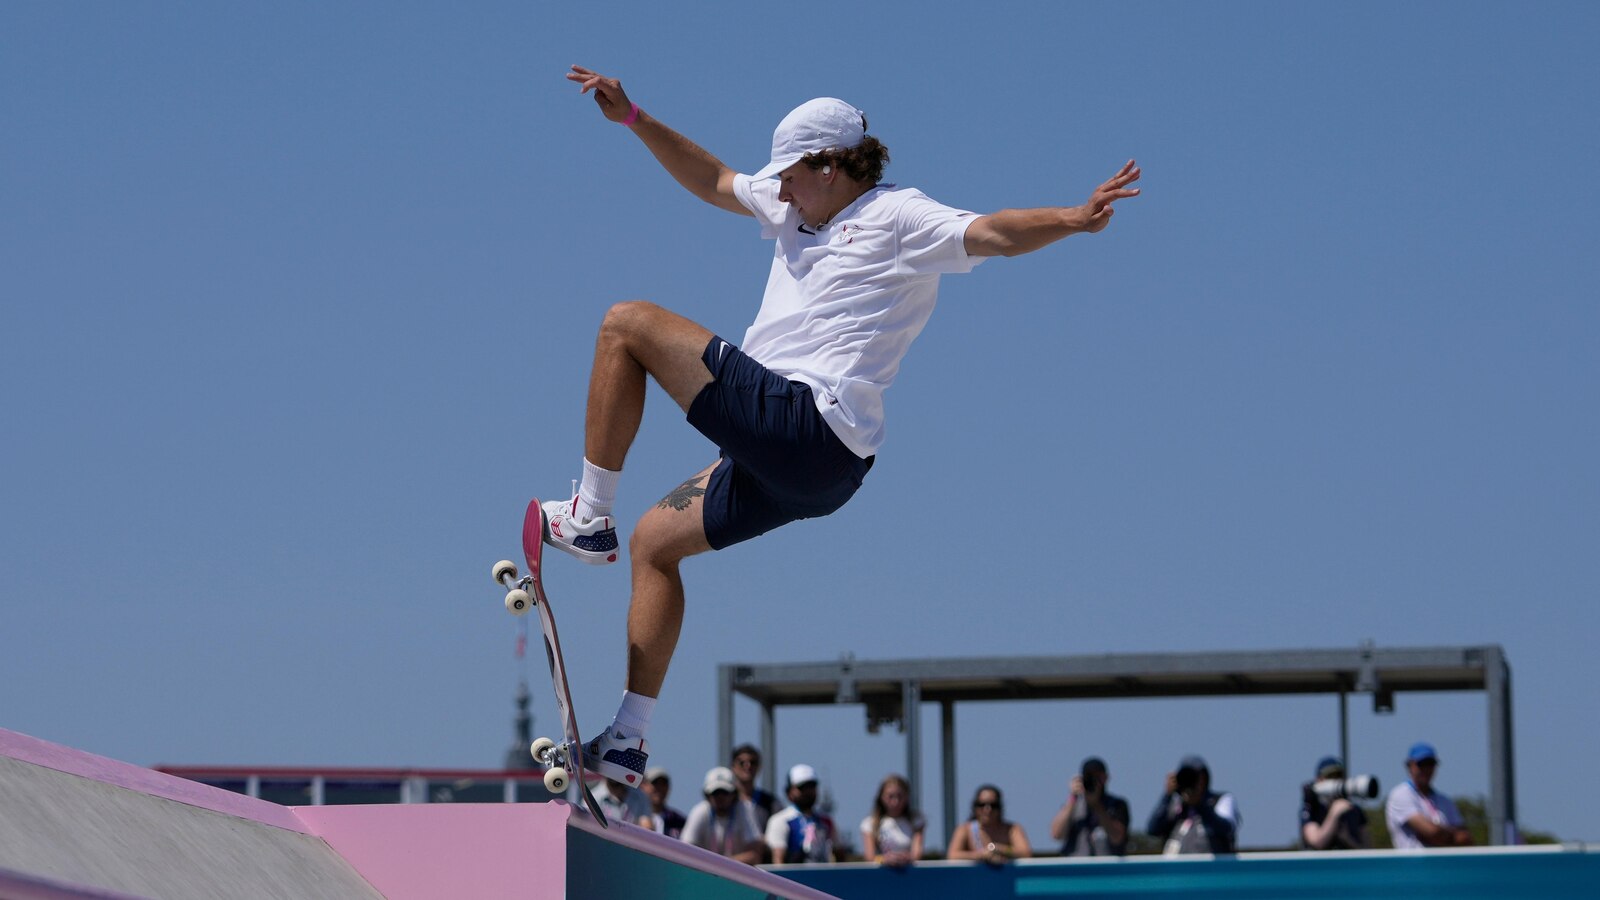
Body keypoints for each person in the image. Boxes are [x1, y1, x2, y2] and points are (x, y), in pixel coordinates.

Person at [550, 65, 1143, 783]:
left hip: (807, 422)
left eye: (793, 175)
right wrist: (636, 119)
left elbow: (992, 233)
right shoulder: (795, 209)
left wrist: (1072, 220)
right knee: (652, 543)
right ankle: (627, 739)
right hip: (814, 475)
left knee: (626, 325)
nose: (782, 190)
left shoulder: (899, 217)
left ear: (831, 166)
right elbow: (714, 179)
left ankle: (587, 513)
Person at [1146, 755, 1241, 855]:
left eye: (1194, 777)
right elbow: (1153, 830)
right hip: (1176, 869)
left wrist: (1200, 805)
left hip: (1211, 869)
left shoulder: (1221, 800)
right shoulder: (1174, 806)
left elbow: (1226, 828)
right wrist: (1167, 796)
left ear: (1205, 778)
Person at [1385, 742, 1473, 849]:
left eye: (1430, 764)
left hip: (1443, 864)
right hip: (1414, 864)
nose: (1426, 769)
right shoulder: (1401, 794)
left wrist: (1437, 835)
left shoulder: (1445, 800)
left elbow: (1466, 838)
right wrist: (1449, 835)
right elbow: (1432, 832)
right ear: (1409, 766)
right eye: (1421, 764)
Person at [680, 766, 765, 864]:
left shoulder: (745, 809)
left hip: (737, 873)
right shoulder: (699, 811)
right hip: (705, 874)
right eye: (715, 793)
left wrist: (720, 864)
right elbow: (685, 851)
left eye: (725, 793)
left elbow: (754, 855)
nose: (720, 798)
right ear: (707, 795)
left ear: (734, 794)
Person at [1049, 756, 1130, 857]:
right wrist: (1072, 798)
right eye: (1089, 777)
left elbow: (1117, 837)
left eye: (1097, 777)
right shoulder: (1072, 806)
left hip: (1107, 868)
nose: (1093, 781)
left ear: (1106, 778)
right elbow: (1056, 834)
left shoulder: (1117, 805)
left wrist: (1097, 806)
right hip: (1077, 867)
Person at [765, 764, 840, 863]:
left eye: (811, 786)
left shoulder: (826, 822)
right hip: (792, 877)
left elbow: (839, 855)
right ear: (790, 791)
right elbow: (778, 861)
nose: (808, 792)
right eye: (802, 788)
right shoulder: (781, 821)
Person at [946, 785, 1032, 865]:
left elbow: (1025, 852)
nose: (987, 810)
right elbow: (952, 856)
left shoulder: (1012, 829)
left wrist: (1000, 849)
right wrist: (982, 855)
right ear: (975, 807)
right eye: (982, 805)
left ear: (1000, 808)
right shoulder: (964, 829)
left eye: (993, 805)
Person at [1300, 756, 1370, 850]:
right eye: (1330, 776)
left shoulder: (1354, 810)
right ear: (1319, 780)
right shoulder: (1311, 808)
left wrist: (1348, 840)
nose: (1335, 780)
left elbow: (1368, 849)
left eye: (1339, 775)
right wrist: (1334, 814)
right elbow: (1317, 842)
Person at [860, 774, 925, 867]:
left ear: (907, 797)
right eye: (890, 796)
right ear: (881, 797)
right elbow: (869, 857)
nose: (895, 802)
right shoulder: (869, 823)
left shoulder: (916, 821)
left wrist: (906, 858)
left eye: (900, 796)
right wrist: (884, 859)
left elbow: (917, 854)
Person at [730, 743, 779, 833]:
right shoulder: (726, 800)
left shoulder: (770, 803)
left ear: (759, 767)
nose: (748, 766)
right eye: (742, 763)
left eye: (753, 762)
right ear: (733, 767)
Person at [639, 766, 687, 839]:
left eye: (663, 784)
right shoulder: (633, 815)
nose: (659, 788)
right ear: (643, 786)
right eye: (655, 783)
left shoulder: (678, 821)